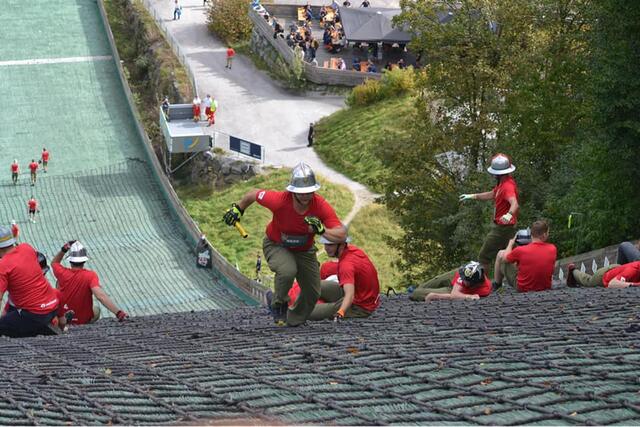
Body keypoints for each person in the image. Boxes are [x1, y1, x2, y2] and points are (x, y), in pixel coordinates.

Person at [223, 162, 347, 326]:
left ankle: (292, 319)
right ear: (292, 191)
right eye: (301, 193)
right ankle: (278, 304)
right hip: (276, 245)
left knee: (313, 292)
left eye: (309, 192)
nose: (305, 196)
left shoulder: (320, 206)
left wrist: (322, 230)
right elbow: (254, 194)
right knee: (288, 270)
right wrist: (238, 209)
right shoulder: (280, 201)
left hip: (304, 250)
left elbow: (342, 233)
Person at [459, 153, 519, 273]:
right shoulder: (504, 182)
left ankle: (482, 284)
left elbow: (515, 203)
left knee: (484, 256)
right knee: (511, 254)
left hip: (502, 228)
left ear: (497, 173)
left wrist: (509, 214)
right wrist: (473, 196)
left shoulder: (507, 186)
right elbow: (492, 194)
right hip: (506, 227)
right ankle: (515, 277)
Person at [0, 226, 61, 338]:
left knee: (3, 326)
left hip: (35, 314)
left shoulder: (3, 266)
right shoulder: (27, 248)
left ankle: (37, 331)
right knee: (12, 313)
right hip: (53, 306)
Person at [52, 241, 128, 327]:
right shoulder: (90, 275)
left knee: (58, 283)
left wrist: (64, 249)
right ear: (84, 260)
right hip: (83, 319)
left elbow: (54, 263)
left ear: (70, 260)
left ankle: (63, 320)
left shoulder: (61, 273)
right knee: (96, 310)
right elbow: (100, 296)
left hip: (62, 318)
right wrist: (118, 313)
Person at [309, 235, 380, 320]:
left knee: (306, 313)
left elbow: (349, 295)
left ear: (342, 245)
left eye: (330, 245)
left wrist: (341, 312)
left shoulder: (346, 265)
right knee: (313, 285)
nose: (326, 248)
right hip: (358, 295)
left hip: (359, 307)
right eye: (325, 244)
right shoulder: (353, 251)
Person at [498, 220, 557, 292]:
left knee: (501, 254)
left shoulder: (520, 250)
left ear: (531, 234)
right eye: (548, 233)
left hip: (523, 288)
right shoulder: (552, 248)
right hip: (545, 287)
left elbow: (504, 259)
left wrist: (510, 244)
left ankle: (497, 284)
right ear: (544, 235)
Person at [410, 261, 492, 302]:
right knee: (435, 280)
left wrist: (435, 295)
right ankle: (418, 287)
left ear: (474, 284)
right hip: (454, 277)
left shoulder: (485, 290)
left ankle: (416, 291)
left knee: (416, 293)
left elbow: (454, 294)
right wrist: (468, 297)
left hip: (455, 290)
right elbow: (455, 294)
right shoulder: (467, 273)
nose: (462, 280)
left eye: (465, 280)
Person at [567, 260, 640, 289]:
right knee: (588, 281)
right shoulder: (633, 269)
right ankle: (573, 271)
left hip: (618, 268)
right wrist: (634, 285)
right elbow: (612, 284)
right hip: (602, 276)